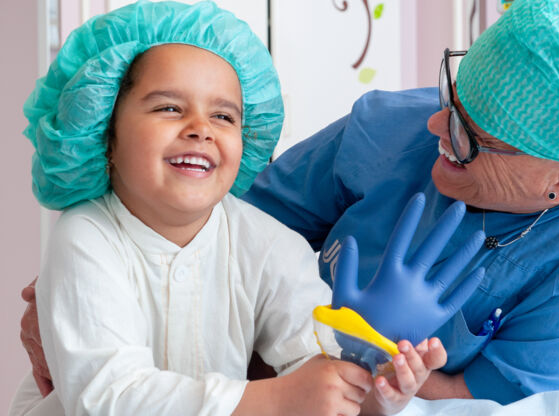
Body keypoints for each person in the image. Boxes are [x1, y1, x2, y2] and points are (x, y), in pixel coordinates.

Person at [20, 0, 559, 408]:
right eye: (450, 96)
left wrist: (375, 368)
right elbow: (205, 225)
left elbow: (471, 403)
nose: (435, 127)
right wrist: (77, 303)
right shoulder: (389, 131)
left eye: (467, 135)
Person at [13, 2, 469, 415]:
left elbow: (316, 366)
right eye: (169, 107)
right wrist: (272, 399)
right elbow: (107, 397)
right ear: (104, 134)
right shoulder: (84, 236)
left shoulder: (268, 244)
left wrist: (377, 390)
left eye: (224, 116)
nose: (200, 129)